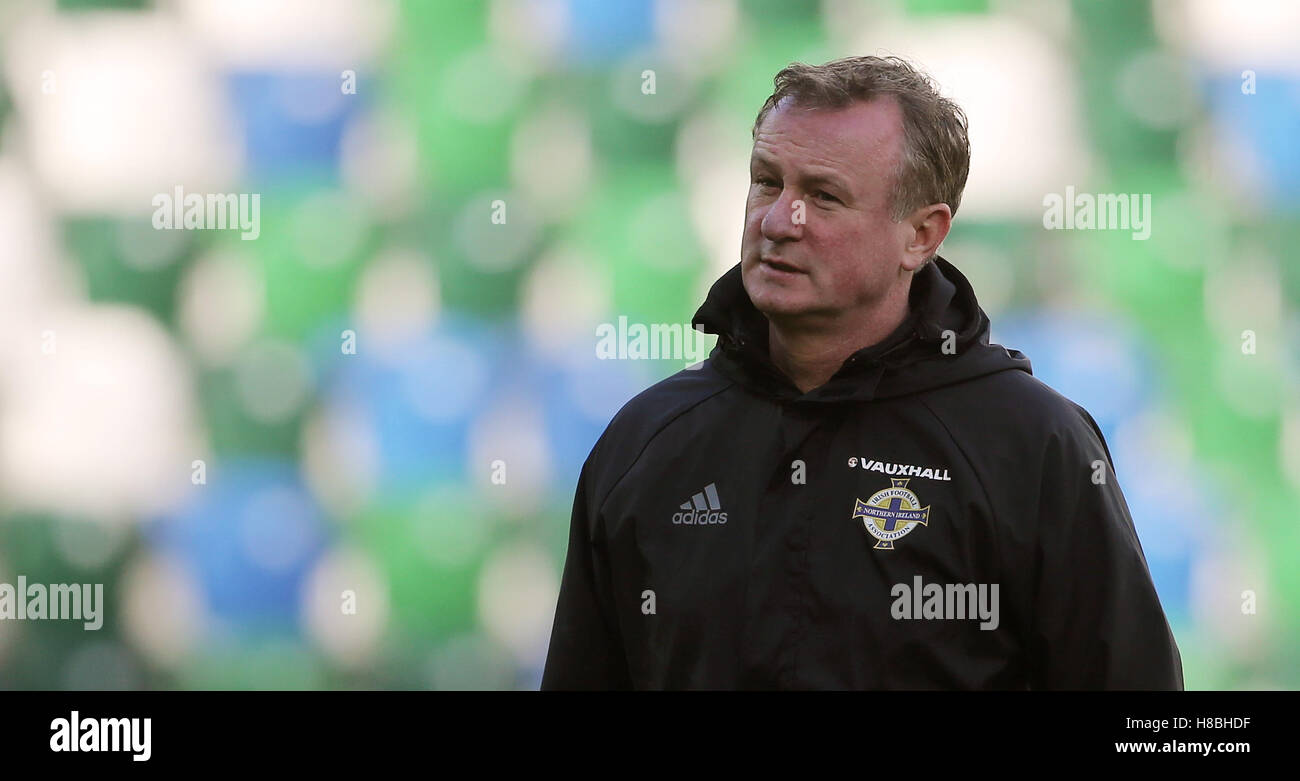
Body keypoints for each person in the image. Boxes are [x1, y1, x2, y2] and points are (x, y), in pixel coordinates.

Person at [540, 56, 1183, 689]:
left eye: (823, 196)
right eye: (768, 182)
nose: (776, 221)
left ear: (921, 236)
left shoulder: (1032, 446)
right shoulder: (647, 441)